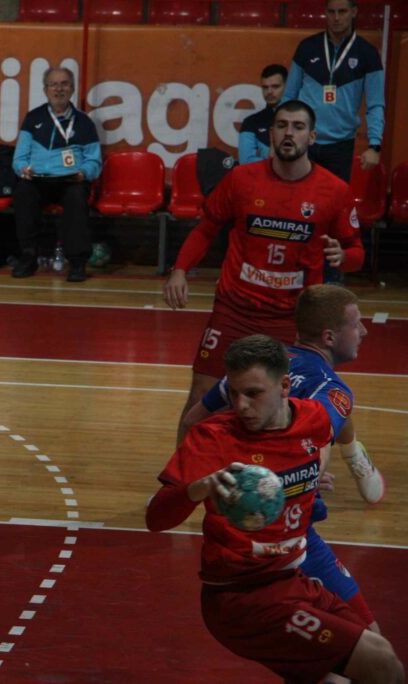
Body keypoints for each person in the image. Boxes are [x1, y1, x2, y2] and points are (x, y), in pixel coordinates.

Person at [146, 334, 403, 684]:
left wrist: (316, 473)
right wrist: (198, 488)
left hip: (295, 576)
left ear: (284, 386)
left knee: (366, 656)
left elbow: (325, 434)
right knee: (382, 664)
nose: (241, 405)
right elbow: (155, 519)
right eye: (234, 393)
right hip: (241, 597)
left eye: (253, 393)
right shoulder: (213, 438)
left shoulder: (314, 419)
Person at [181, 286, 385, 635]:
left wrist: (212, 481)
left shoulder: (257, 368)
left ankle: (354, 454)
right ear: (329, 337)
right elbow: (315, 444)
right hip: (291, 537)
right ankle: (354, 454)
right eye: (356, 324)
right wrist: (304, 476)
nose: (364, 330)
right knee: (370, 638)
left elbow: (191, 422)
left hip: (239, 532)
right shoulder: (331, 389)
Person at [162, 100, 364, 444]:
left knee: (283, 408)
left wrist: (342, 257)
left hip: (292, 320)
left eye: (298, 127)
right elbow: (206, 229)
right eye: (282, 125)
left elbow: (357, 252)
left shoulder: (334, 191)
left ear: (312, 136)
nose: (289, 133)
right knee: (201, 397)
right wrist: (179, 270)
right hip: (234, 310)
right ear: (271, 133)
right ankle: (181, 473)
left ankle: (327, 460)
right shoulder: (241, 179)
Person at [10, 67, 101, 282]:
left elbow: (94, 161)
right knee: (23, 192)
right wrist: (23, 169)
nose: (59, 89)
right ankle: (28, 257)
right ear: (45, 89)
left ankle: (77, 263)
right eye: (54, 84)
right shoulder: (33, 118)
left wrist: (84, 173)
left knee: (77, 197)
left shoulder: (84, 122)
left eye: (64, 84)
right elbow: (19, 157)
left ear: (72, 89)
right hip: (38, 180)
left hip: (71, 181)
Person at [283, 0, 384, 184]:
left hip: (341, 146)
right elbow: (289, 96)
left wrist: (374, 145)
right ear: (326, 13)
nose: (336, 18)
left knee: (333, 199)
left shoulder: (368, 54)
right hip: (304, 140)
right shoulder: (307, 47)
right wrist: (282, 136)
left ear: (354, 12)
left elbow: (375, 104)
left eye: (342, 11)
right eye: (331, 12)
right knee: (296, 196)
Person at [238, 64, 287, 165]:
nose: (269, 92)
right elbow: (246, 162)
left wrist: (264, 157)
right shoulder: (250, 122)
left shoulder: (304, 119)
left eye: (275, 86)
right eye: (265, 87)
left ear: (287, 87)